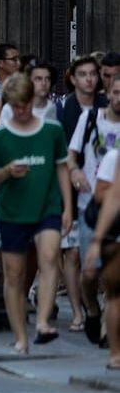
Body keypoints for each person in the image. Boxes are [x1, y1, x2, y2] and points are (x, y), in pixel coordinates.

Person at [0, 71, 72, 352]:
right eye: (16, 105)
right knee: (14, 275)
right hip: (13, 211)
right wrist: (7, 171)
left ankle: (43, 321)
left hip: (48, 208)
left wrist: (67, 207)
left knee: (48, 258)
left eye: (26, 104)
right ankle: (20, 337)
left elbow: (61, 167)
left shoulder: (51, 131)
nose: (21, 111)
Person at [68, 68, 119, 344]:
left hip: (118, 210)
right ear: (108, 95)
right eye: (116, 93)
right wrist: (75, 172)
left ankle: (107, 332)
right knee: (90, 273)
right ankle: (91, 308)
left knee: (114, 276)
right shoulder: (90, 119)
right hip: (91, 206)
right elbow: (71, 155)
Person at [81, 77, 120, 369]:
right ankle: (114, 350)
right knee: (100, 282)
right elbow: (108, 197)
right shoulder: (114, 157)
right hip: (107, 227)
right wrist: (98, 239)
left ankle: (113, 347)